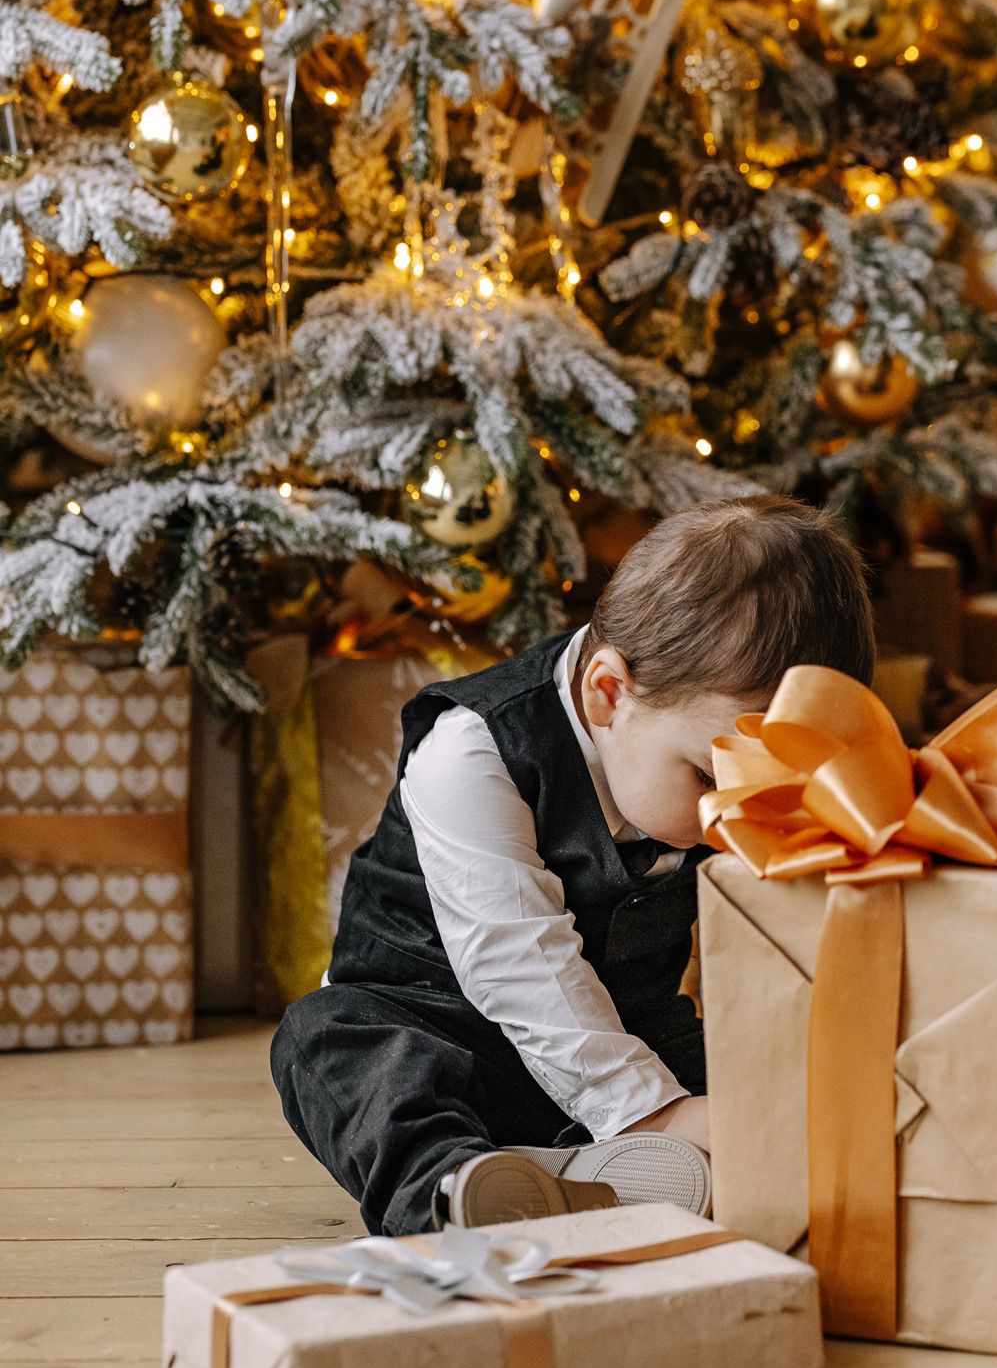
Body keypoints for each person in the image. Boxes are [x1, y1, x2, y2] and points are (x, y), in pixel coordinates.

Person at [272, 494, 876, 1234]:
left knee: (754, 1085)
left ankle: (591, 1170)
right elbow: (513, 957)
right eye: (712, 781)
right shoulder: (474, 749)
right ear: (609, 693)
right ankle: (458, 1192)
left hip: (623, 1032)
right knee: (331, 1042)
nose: (737, 816)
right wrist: (652, 1109)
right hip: (440, 1028)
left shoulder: (676, 740)